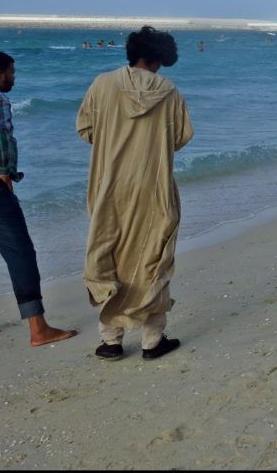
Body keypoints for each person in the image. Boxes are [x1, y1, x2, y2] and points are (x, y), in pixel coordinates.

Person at [76, 27, 194, 361]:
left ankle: (111, 339)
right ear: (160, 58)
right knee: (153, 255)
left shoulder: (102, 84)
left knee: (107, 253)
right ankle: (152, 340)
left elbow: (85, 130)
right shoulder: (169, 92)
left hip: (108, 185)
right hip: (152, 185)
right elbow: (182, 137)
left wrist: (114, 138)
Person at [0, 51, 78, 347]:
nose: (14, 78)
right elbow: (1, 136)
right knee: (21, 254)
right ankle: (38, 328)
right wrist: (5, 172)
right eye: (12, 73)